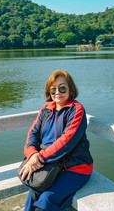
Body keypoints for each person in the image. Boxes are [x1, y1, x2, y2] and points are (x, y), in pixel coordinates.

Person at [19, 70, 93, 211]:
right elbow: (32, 134)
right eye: (53, 89)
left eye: (62, 88)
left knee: (47, 199)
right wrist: (32, 155)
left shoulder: (76, 110)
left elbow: (65, 142)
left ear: (71, 89)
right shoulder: (46, 109)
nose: (57, 92)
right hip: (48, 165)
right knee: (34, 194)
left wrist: (38, 158)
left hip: (75, 168)